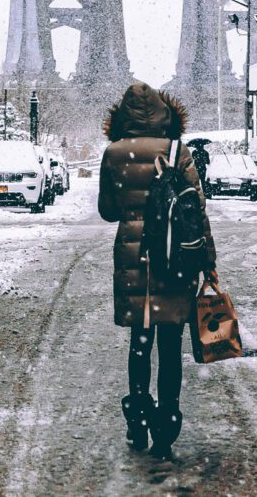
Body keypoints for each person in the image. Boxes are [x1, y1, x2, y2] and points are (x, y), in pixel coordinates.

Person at [98, 83, 217, 459]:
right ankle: (166, 421)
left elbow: (108, 211)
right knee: (170, 345)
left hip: (135, 259)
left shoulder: (114, 153)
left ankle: (138, 418)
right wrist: (209, 264)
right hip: (175, 261)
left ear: (123, 116)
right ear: (165, 113)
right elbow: (196, 212)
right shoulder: (177, 152)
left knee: (139, 342)